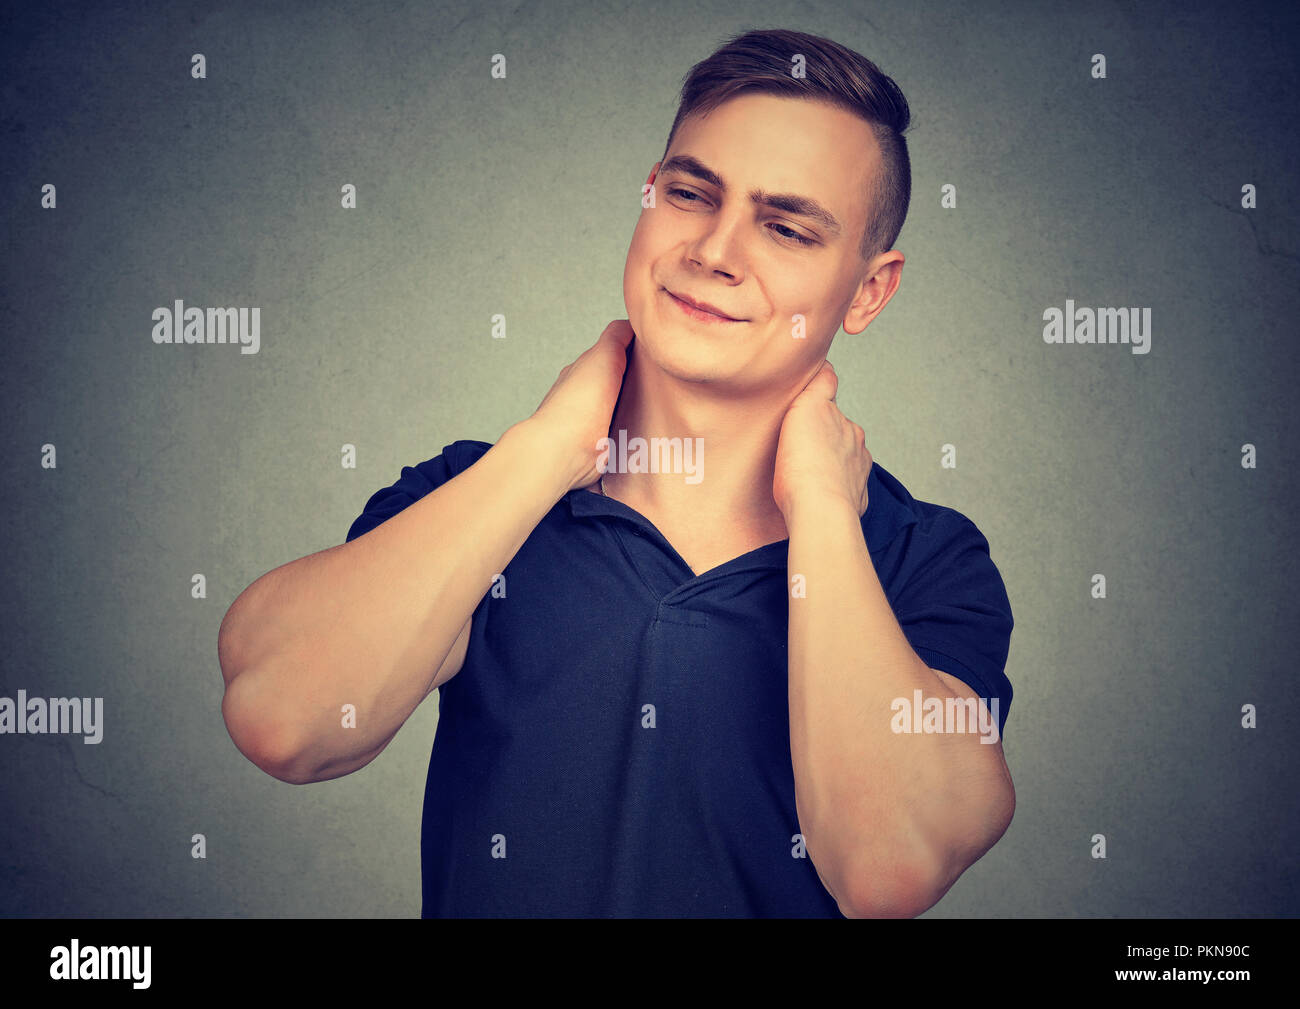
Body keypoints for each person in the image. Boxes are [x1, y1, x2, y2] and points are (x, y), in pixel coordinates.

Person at [218, 28, 1016, 918]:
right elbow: (283, 719)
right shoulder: (479, 497)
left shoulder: (925, 562)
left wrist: (823, 506)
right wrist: (549, 445)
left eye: (786, 227)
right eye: (688, 193)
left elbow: (889, 866)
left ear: (869, 291)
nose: (714, 249)